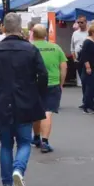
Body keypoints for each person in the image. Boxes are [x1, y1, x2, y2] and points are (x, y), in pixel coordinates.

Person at [0, 12, 48, 186]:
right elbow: (43, 75)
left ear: (3, 27)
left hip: (1, 101)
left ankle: (7, 184)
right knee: (25, 141)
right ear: (21, 28)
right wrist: (36, 93)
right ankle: (18, 169)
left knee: (5, 144)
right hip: (25, 100)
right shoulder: (30, 49)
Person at [31, 24, 67, 153]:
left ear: (33, 34)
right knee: (48, 111)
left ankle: (36, 137)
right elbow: (63, 67)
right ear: (45, 35)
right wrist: (61, 83)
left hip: (34, 83)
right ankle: (45, 141)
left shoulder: (30, 48)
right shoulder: (55, 48)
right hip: (52, 83)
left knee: (36, 111)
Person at [79, 24, 94, 114]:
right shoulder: (88, 42)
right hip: (89, 68)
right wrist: (88, 67)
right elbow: (85, 56)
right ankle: (86, 106)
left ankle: (91, 105)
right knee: (89, 87)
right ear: (93, 32)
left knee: (93, 87)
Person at [71, 16, 88, 104]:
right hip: (78, 59)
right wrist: (74, 59)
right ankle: (85, 99)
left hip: (88, 59)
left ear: (86, 22)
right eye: (78, 22)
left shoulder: (89, 33)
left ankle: (88, 100)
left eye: (82, 22)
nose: (80, 24)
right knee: (82, 80)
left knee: (87, 80)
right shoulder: (75, 33)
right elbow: (72, 48)